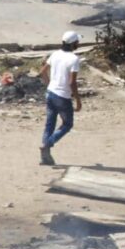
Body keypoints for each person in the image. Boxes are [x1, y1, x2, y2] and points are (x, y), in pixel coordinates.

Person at [39, 30, 82, 166]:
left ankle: (45, 156)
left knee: (50, 123)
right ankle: (48, 145)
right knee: (67, 124)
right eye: (77, 42)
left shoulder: (55, 54)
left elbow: (42, 71)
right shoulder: (74, 59)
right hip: (63, 96)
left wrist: (49, 84)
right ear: (74, 44)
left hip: (50, 93)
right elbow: (72, 82)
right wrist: (78, 100)